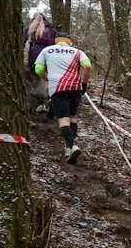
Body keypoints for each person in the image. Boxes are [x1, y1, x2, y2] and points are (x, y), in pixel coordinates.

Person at [33, 30, 92, 163]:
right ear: (69, 42)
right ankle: (68, 149)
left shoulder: (47, 50)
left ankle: (72, 146)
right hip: (75, 88)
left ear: (56, 40)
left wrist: (48, 78)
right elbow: (87, 67)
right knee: (72, 117)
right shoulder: (77, 52)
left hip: (58, 88)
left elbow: (38, 69)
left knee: (63, 120)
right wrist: (84, 83)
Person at [23, 14, 56, 116]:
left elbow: (23, 40)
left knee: (36, 78)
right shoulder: (51, 29)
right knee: (47, 78)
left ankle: (40, 100)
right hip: (48, 55)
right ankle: (50, 99)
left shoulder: (30, 28)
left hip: (34, 55)